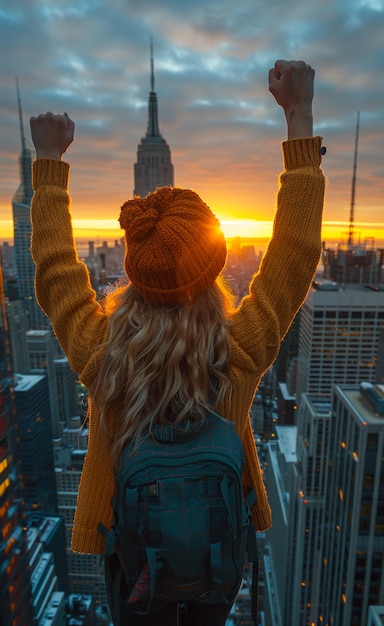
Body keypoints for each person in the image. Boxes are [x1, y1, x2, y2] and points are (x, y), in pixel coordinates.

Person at [30, 59, 325, 626]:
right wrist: (299, 117)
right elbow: (294, 253)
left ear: (134, 270)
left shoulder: (104, 355)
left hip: (136, 566)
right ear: (214, 265)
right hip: (217, 558)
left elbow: (55, 272)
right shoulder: (239, 351)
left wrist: (48, 166)